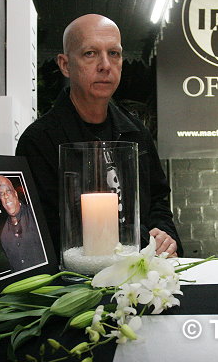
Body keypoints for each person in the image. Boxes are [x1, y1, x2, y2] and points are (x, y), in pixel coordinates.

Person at [16, 14, 182, 258]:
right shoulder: (40, 141)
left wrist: (164, 237)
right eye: (90, 53)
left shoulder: (136, 132)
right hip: (80, 275)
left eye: (114, 53)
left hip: (143, 269)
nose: (105, 65)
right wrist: (141, 241)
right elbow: (48, 230)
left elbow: (158, 199)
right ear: (65, 65)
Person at [0, 175, 46, 271]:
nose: (5, 196)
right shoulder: (4, 236)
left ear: (15, 193)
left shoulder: (35, 214)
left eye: (8, 191)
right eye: (1, 194)